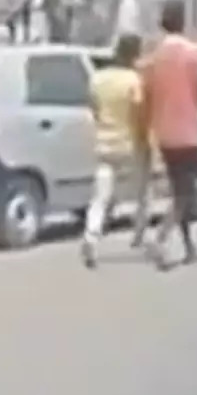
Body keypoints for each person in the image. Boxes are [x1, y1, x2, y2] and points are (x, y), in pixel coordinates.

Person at [139, 0, 197, 269]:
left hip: (164, 132)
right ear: (182, 22)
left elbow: (146, 97)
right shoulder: (194, 53)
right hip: (188, 131)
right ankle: (161, 238)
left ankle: (188, 246)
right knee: (186, 193)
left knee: (179, 190)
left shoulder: (153, 58)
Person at [80, 33, 146, 269]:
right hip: (129, 144)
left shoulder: (98, 79)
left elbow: (94, 108)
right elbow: (139, 112)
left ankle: (91, 235)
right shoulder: (134, 81)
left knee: (100, 196)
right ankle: (140, 233)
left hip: (104, 143)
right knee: (142, 190)